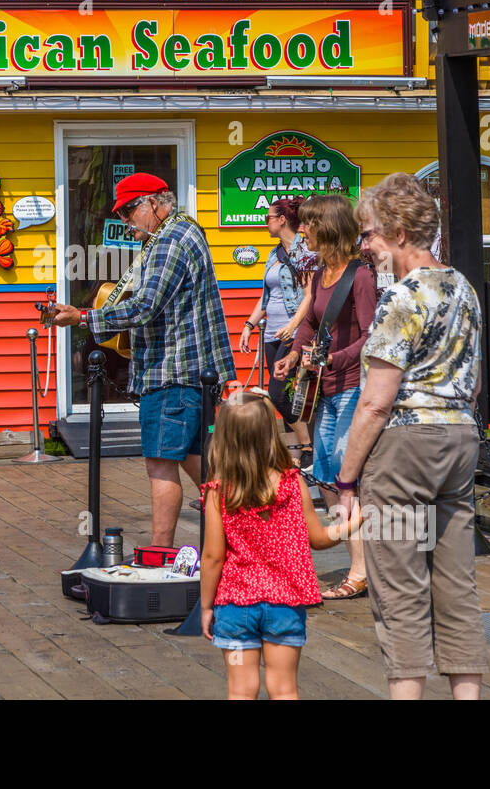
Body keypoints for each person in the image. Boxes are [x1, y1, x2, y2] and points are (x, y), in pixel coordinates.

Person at [334, 172, 487, 701]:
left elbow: (376, 400)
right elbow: (475, 380)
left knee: (399, 588)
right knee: (456, 586)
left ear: (399, 232)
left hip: (404, 446)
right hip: (460, 440)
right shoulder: (462, 287)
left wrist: (346, 480)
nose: (366, 245)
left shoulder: (401, 296)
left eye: (371, 233)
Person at [51, 173, 235, 547]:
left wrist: (84, 318)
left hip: (172, 372)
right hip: (190, 372)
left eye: (129, 210)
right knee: (198, 464)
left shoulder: (168, 240)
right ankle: (241, 539)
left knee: (160, 464)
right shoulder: (182, 231)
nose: (125, 220)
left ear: (153, 202)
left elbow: (147, 306)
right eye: (119, 213)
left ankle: (160, 557)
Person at [199, 391, 360, 700]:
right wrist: (353, 523)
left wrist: (206, 606)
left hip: (235, 607)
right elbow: (320, 539)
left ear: (224, 437)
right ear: (270, 435)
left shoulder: (219, 492)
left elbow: (212, 557)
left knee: (241, 691)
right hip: (285, 605)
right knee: (284, 689)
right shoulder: (292, 482)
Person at [272, 194, 376, 600]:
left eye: (309, 224)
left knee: (344, 476)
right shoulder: (319, 272)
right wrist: (295, 354)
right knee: (331, 475)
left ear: (328, 228)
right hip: (326, 387)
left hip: (352, 386)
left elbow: (371, 336)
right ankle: (361, 565)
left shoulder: (361, 276)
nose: (303, 230)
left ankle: (361, 570)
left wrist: (334, 357)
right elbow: (311, 322)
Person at [239, 196, 318, 457]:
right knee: (285, 397)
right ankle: (297, 459)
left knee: (278, 394)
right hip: (272, 333)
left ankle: (308, 446)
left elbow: (310, 295)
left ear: (282, 220)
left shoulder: (303, 252)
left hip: (293, 334)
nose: (266, 223)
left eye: (268, 218)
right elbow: (266, 297)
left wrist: (294, 325)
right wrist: (250, 325)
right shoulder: (273, 254)